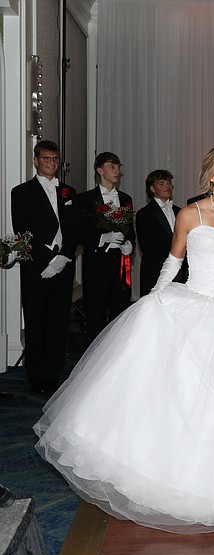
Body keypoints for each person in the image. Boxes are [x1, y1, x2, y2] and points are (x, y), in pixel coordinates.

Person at [33, 146, 214, 533]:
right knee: (188, 397)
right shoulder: (191, 213)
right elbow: (174, 261)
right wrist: (155, 299)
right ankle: (180, 482)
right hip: (197, 305)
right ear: (213, 175)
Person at [10, 140, 79, 394]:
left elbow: (74, 229)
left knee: (58, 322)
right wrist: (48, 258)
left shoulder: (69, 192)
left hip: (63, 266)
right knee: (37, 321)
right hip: (37, 267)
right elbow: (23, 230)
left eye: (56, 159)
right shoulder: (21, 192)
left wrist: (63, 257)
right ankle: (37, 376)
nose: (52, 163)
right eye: (47, 159)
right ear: (36, 160)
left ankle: (53, 373)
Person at [76, 152, 135, 343]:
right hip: (97, 263)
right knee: (96, 311)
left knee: (120, 310)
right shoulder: (85, 199)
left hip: (120, 264)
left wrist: (129, 244)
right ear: (100, 170)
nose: (117, 171)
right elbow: (78, 232)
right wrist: (103, 238)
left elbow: (130, 229)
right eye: (112, 166)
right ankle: (94, 356)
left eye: (118, 167)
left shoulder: (126, 199)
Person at [135, 169, 181, 296]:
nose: (167, 186)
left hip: (180, 273)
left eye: (169, 182)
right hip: (156, 272)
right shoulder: (144, 214)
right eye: (161, 183)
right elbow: (148, 248)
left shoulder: (180, 211)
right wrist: (170, 268)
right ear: (152, 189)